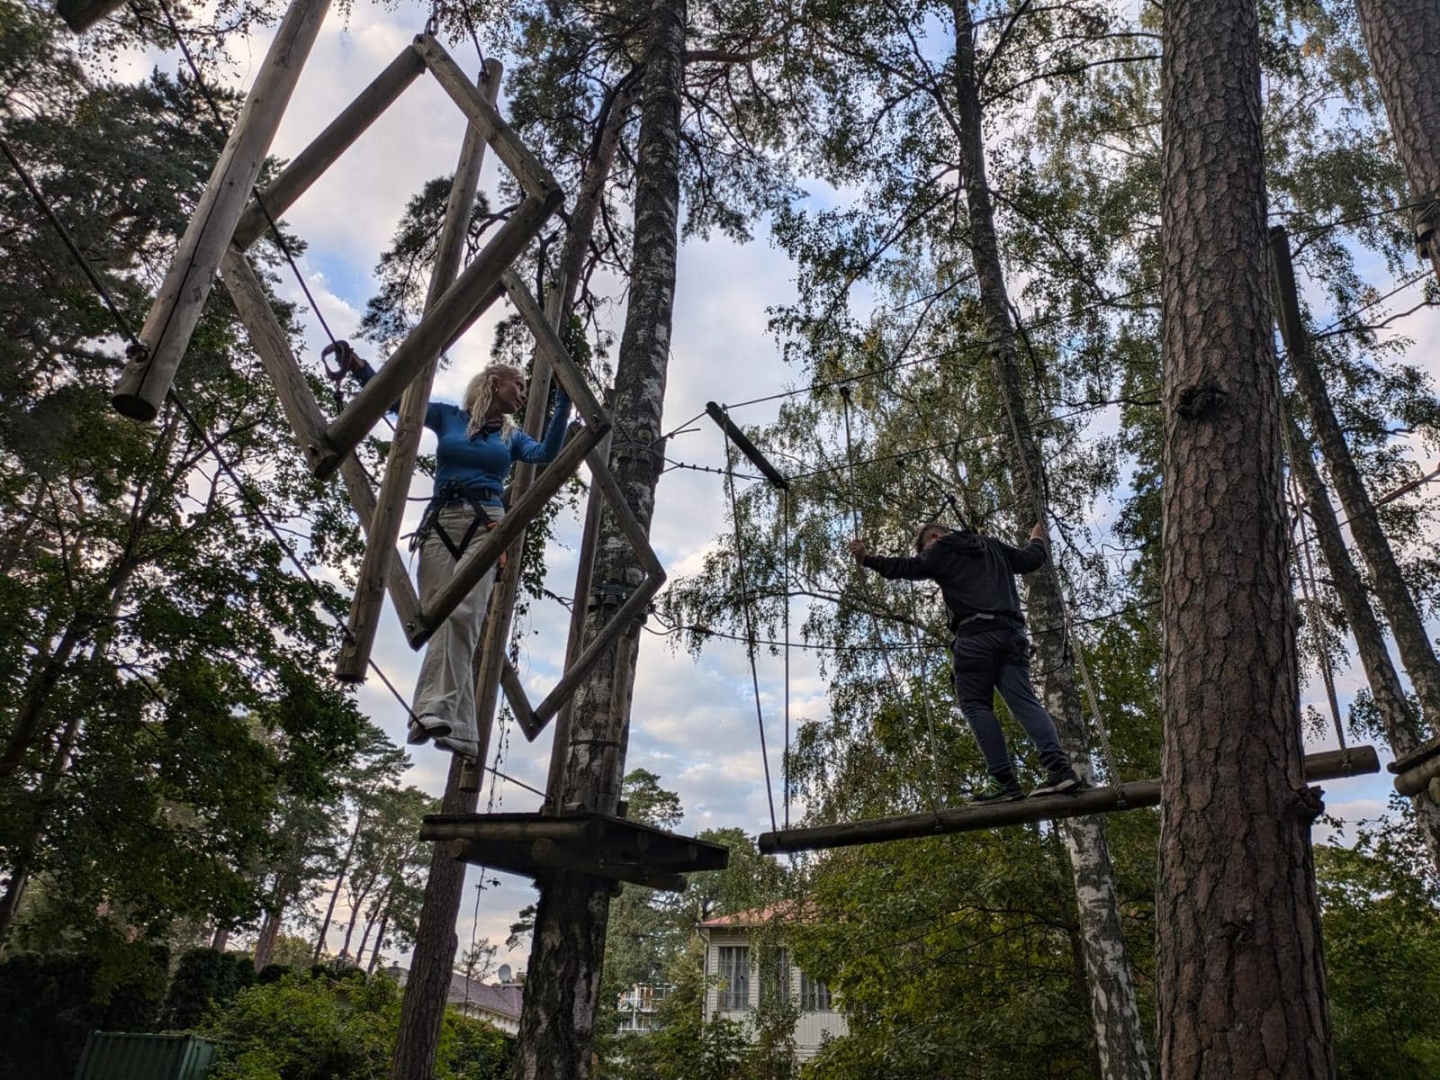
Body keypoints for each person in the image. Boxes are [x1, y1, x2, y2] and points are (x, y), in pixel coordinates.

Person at [340, 345, 571, 760]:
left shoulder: (510, 436)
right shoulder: (449, 417)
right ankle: (462, 731)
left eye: (525, 389)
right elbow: (399, 404)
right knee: (437, 617)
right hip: (440, 522)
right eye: (518, 385)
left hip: (486, 524)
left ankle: (430, 711)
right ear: (493, 383)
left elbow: (544, 454)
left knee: (464, 612)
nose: (522, 394)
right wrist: (360, 369)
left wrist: (563, 401)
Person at [848, 520, 1087, 802]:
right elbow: (1030, 560)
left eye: (925, 548)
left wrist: (867, 559)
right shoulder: (992, 546)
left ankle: (1003, 780)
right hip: (1012, 635)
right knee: (1024, 702)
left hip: (976, 637)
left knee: (975, 705)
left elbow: (908, 567)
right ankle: (1060, 770)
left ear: (934, 536)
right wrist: (1036, 539)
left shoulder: (941, 547)